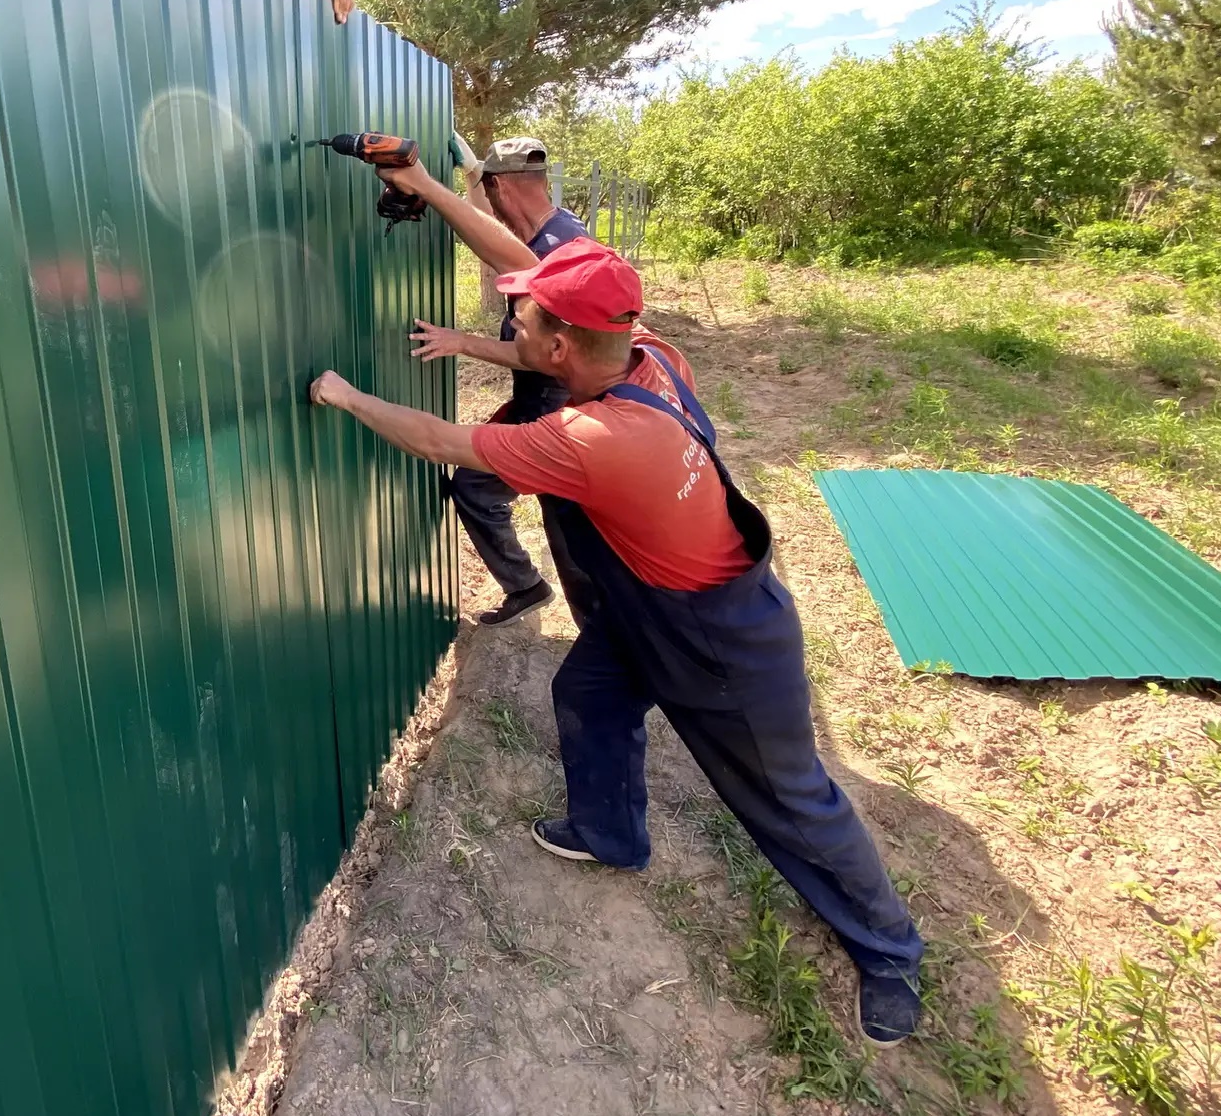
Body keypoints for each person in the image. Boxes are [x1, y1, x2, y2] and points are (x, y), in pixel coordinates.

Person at [308, 234, 926, 1045]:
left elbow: (440, 442)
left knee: (791, 796)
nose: (511, 331)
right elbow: (548, 278)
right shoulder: (650, 352)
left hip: (725, 643)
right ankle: (608, 833)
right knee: (589, 694)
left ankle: (890, 952)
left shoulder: (590, 443)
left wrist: (345, 396)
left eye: (520, 323)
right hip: (650, 607)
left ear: (559, 346)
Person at [411, 135, 593, 625]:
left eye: (488, 190)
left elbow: (547, 358)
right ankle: (535, 590)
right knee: (485, 491)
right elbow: (493, 236)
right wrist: (473, 175)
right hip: (548, 403)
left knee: (569, 522)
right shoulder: (560, 228)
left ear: (503, 188)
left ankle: (597, 627)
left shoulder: (554, 253)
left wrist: (461, 341)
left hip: (557, 406)